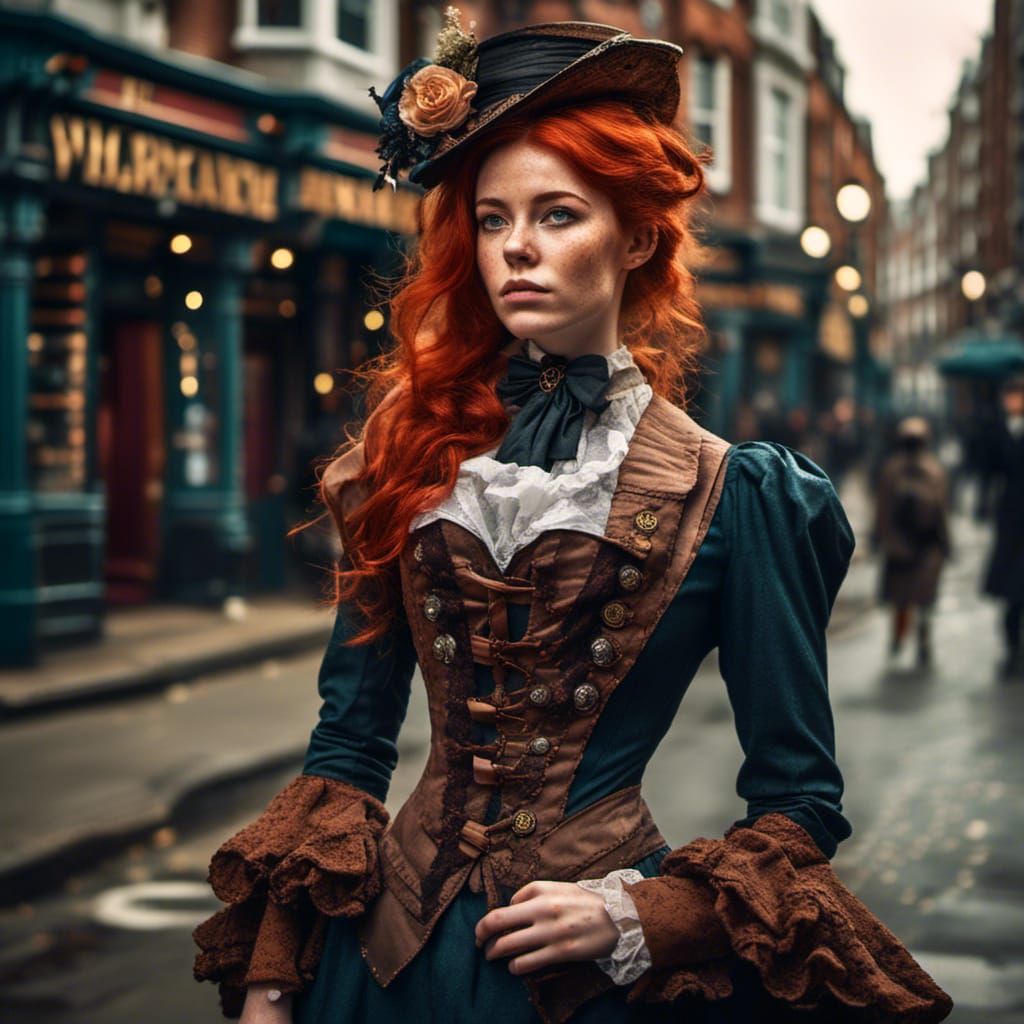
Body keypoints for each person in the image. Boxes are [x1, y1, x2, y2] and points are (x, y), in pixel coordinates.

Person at [192, 13, 952, 1024]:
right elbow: (348, 745)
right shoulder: (410, 455)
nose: (517, 250)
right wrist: (273, 979)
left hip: (589, 979)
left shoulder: (734, 493)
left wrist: (646, 914)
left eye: (556, 215)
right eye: (494, 218)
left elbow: (797, 799)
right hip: (379, 970)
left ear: (635, 234)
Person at [871, 417, 952, 668]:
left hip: (914, 544)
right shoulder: (930, 469)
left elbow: (883, 511)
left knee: (910, 597)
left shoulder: (895, 469)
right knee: (911, 598)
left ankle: (910, 639)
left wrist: (880, 538)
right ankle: (910, 638)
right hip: (915, 544)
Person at [982, 374, 1024, 679]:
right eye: (1010, 396)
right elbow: (988, 469)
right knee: (1012, 592)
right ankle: (1012, 650)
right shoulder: (996, 430)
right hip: (1010, 519)